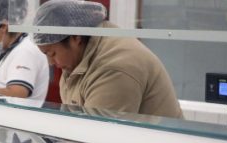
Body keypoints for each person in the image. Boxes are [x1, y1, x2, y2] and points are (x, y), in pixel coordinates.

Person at [32, 0, 183, 118]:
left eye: (52, 53)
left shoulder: (114, 67)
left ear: (75, 37)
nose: (51, 62)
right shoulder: (74, 62)